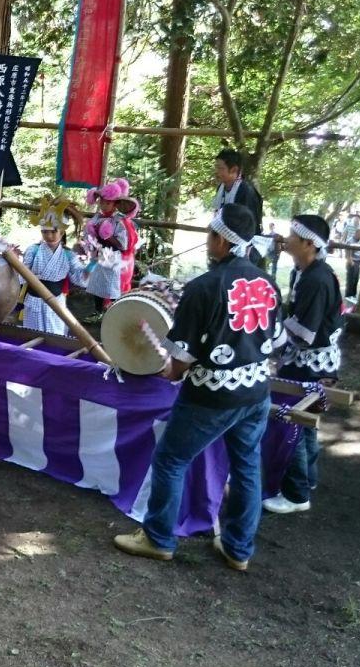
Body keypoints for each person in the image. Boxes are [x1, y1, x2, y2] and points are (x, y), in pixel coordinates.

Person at [113, 203, 282, 572]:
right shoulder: (267, 283)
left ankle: (158, 538)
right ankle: (239, 549)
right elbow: (276, 339)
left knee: (172, 459)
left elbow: (180, 365)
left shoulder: (204, 287)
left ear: (221, 239)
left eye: (210, 234)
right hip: (256, 392)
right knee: (247, 466)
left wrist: (167, 369)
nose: (209, 241)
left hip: (211, 396)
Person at [264, 214, 344, 516]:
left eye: (293, 236)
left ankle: (296, 493)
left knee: (293, 423)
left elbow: (306, 334)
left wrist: (275, 333)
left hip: (310, 364)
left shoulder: (315, 279)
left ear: (309, 244)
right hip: (318, 363)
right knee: (308, 425)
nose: (288, 239)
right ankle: (307, 480)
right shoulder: (309, 272)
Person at [12, 200, 88, 334]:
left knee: (55, 337)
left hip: (56, 303)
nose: (49, 236)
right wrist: (14, 261)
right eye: (45, 232)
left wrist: (92, 266)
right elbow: (22, 277)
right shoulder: (33, 250)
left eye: (53, 231)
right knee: (31, 335)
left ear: (62, 231)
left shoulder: (69, 255)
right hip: (34, 301)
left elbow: (80, 279)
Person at [81, 177, 140, 314]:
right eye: (102, 201)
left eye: (108, 203)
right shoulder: (97, 217)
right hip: (100, 255)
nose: (104, 205)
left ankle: (112, 313)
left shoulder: (120, 221)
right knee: (97, 284)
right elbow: (89, 237)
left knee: (110, 286)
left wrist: (109, 236)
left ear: (115, 204)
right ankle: (97, 311)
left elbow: (124, 245)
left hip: (114, 257)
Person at [212, 149, 265, 266]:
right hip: (224, 246)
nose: (216, 171)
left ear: (234, 170)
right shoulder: (221, 188)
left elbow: (248, 228)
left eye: (220, 168)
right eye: (216, 167)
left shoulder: (246, 192)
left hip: (243, 250)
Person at [342, 213, 360, 298]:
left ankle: (353, 294)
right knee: (351, 278)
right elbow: (348, 252)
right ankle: (348, 295)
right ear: (357, 234)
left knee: (356, 278)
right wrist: (350, 260)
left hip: (358, 260)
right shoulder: (351, 240)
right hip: (352, 261)